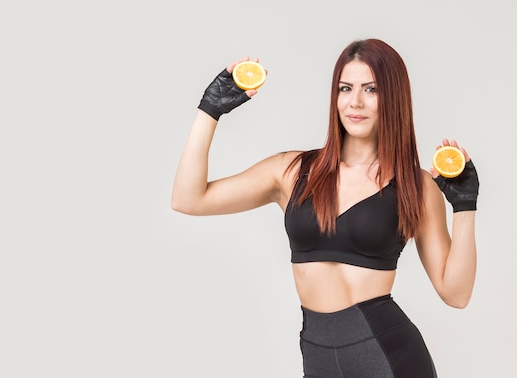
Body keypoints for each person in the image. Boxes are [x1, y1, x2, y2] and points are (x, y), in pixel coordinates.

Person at [171, 38, 479, 378]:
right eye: (345, 88)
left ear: (393, 98)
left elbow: (456, 293)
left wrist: (464, 207)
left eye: (371, 89)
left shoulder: (415, 184)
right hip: (318, 360)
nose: (355, 102)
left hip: (389, 359)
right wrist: (209, 111)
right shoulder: (290, 171)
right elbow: (188, 199)